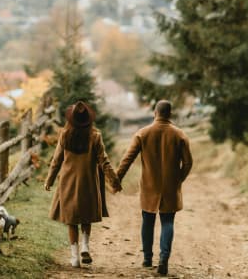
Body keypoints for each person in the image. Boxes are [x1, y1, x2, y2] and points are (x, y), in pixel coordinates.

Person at [116, 100, 193, 276]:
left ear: (155, 113)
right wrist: (178, 179)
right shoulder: (180, 135)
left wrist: (116, 180)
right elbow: (188, 163)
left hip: (149, 186)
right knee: (168, 222)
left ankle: (147, 259)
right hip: (170, 187)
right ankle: (164, 260)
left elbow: (127, 159)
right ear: (170, 114)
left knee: (147, 220)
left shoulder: (142, 133)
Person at [44, 101, 121, 267]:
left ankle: (75, 258)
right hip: (88, 182)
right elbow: (104, 161)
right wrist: (114, 180)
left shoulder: (65, 135)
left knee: (71, 221)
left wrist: (49, 179)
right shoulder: (95, 136)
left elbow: (56, 160)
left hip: (68, 183)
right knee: (86, 216)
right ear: (88, 120)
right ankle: (85, 246)